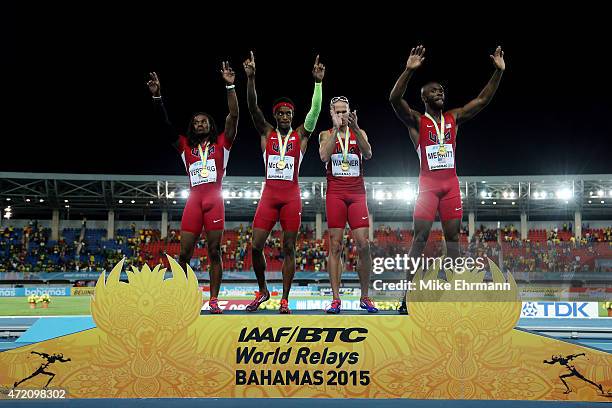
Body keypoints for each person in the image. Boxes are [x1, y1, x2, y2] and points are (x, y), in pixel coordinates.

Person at [389, 45, 505, 314]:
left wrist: (498, 72)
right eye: (434, 91)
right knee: (420, 238)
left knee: (453, 241)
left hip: (450, 186)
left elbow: (482, 100)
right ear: (424, 97)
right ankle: (407, 296)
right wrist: (408, 70)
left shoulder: (453, 117)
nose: (440, 92)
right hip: (427, 188)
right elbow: (394, 100)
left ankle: (455, 297)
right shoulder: (417, 122)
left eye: (441, 90)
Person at [147, 62, 238, 314]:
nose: (200, 124)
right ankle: (183, 298)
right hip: (194, 201)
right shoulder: (185, 147)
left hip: (214, 199)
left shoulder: (222, 144)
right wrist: (157, 97)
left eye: (204, 121)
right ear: (192, 126)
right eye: (196, 122)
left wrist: (230, 86)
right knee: (184, 253)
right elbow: (164, 126)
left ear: (210, 125)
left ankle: (214, 300)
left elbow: (234, 117)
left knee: (214, 251)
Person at [243, 51, 324, 314]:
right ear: (276, 116)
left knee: (289, 247)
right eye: (281, 113)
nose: (286, 116)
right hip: (269, 196)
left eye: (289, 112)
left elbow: (314, 111)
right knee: (255, 246)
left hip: (291, 197)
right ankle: (263, 289)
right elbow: (253, 108)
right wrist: (251, 78)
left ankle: (285, 298)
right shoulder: (267, 133)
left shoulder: (301, 136)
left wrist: (318, 83)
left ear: (293, 115)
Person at [319, 96, 377, 313]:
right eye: (338, 112)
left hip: (357, 195)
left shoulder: (359, 133)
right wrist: (335, 129)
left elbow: (369, 153)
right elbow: (324, 156)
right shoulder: (325, 134)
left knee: (364, 245)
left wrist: (357, 127)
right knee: (335, 246)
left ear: (350, 112)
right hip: (335, 194)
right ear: (332, 113)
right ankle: (336, 299)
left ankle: (365, 297)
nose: (342, 115)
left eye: (345, 111)